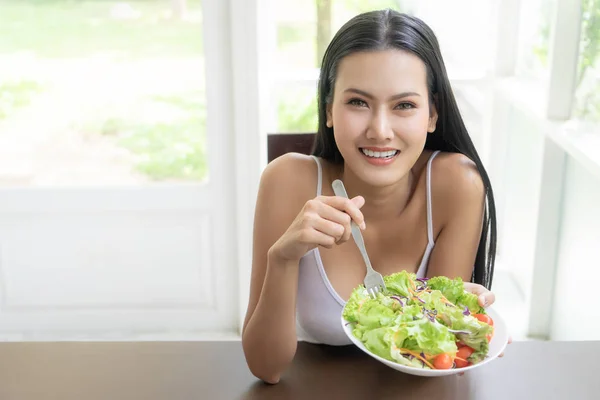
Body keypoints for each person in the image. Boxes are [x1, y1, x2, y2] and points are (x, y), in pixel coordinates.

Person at [242, 9, 501, 384]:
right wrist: (283, 257)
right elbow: (265, 367)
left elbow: (434, 353)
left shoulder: (456, 183)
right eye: (358, 103)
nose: (380, 130)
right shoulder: (286, 181)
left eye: (404, 105)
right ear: (329, 109)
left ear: (432, 116)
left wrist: (468, 329)